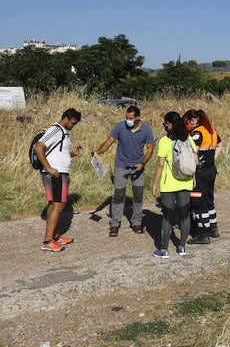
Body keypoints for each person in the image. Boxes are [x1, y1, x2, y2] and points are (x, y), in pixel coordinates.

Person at [93, 105, 154, 237]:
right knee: (118, 195)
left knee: (138, 196)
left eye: (130, 118)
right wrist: (97, 153)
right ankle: (115, 224)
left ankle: (137, 223)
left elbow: (150, 148)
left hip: (138, 167)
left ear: (138, 118)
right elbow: (109, 141)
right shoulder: (120, 127)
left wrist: (143, 163)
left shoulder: (147, 130)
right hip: (121, 166)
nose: (128, 120)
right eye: (126, 118)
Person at [150, 111, 197, 258]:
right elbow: (195, 160)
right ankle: (182, 247)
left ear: (169, 124)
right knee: (184, 215)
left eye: (165, 123)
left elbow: (160, 164)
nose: (164, 125)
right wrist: (193, 177)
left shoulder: (165, 141)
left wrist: (155, 182)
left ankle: (163, 250)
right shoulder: (188, 139)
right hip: (186, 181)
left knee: (167, 216)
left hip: (169, 184)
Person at [35, 108, 82, 252]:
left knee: (53, 204)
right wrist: (49, 168)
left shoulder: (62, 132)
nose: (73, 125)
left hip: (59, 173)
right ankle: (48, 241)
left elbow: (57, 153)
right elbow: (39, 147)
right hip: (56, 174)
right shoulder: (56, 129)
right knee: (58, 205)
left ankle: (54, 236)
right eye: (73, 123)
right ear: (66, 118)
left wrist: (72, 154)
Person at [184, 108, 221, 245]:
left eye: (188, 121)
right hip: (211, 169)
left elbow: (193, 152)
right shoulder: (212, 131)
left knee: (198, 201)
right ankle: (213, 227)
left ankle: (203, 233)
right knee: (208, 198)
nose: (188, 124)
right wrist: (213, 158)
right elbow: (220, 145)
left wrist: (193, 170)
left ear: (195, 120)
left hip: (200, 172)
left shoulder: (197, 133)